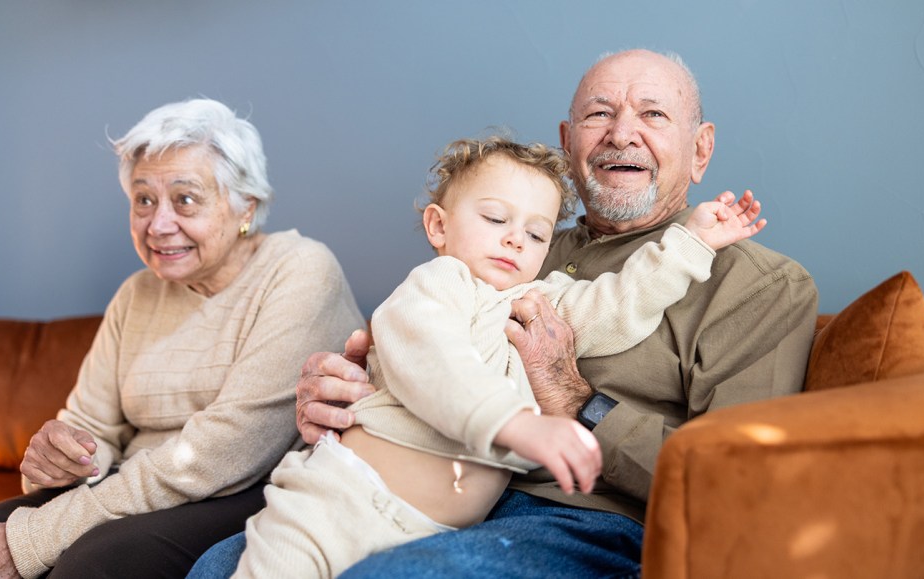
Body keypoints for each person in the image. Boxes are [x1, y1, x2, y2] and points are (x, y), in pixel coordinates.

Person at [295, 49, 820, 578]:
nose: (621, 134)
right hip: (417, 485)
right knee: (226, 564)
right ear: (569, 146)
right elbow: (430, 350)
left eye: (653, 114)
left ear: (700, 149)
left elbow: (736, 486)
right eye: (599, 114)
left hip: (581, 520)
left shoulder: (758, 284)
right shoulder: (512, 244)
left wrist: (580, 404)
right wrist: (345, 398)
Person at [190, 134, 767, 578]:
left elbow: (618, 304)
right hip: (338, 500)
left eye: (538, 234)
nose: (517, 239)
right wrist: (517, 425)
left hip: (426, 528)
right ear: (439, 226)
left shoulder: (541, 301)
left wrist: (691, 243)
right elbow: (437, 363)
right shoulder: (435, 286)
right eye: (496, 220)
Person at [0, 98, 364, 579]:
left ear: (244, 207)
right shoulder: (136, 293)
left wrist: (34, 537)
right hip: (135, 483)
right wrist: (67, 459)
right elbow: (92, 427)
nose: (158, 224)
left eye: (185, 199)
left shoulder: (301, 270)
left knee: (93, 568)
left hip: (245, 488)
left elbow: (221, 455)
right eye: (144, 200)